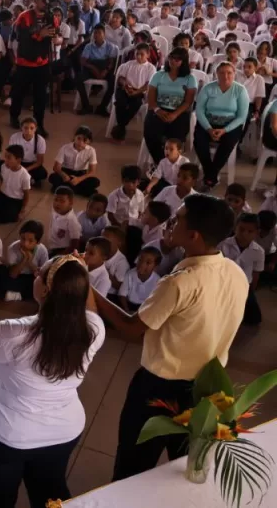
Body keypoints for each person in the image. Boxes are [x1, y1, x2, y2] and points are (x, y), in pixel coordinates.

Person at [92, 194, 248, 481]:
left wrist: (92, 294)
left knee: (134, 463)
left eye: (177, 219)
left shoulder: (180, 282)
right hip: (206, 391)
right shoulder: (236, 274)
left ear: (193, 235)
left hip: (159, 390)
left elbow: (130, 328)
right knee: (186, 466)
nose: (170, 223)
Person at [0, 253, 104, 508]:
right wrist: (77, 275)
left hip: (3, 436)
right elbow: (89, 308)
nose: (36, 273)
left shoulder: (17, 333)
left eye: (40, 273)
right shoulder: (94, 329)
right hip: (61, 434)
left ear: (46, 290)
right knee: (49, 495)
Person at [193, 62, 249, 189]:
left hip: (230, 125)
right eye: (222, 73)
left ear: (234, 74)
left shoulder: (240, 90)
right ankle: (211, 173)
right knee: (199, 141)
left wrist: (224, 130)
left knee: (228, 143)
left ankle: (210, 175)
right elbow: (199, 110)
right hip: (208, 123)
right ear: (216, 74)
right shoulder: (208, 88)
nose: (225, 76)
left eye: (229, 73)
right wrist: (208, 128)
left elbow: (241, 117)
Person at [9, 0, 54, 137]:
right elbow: (22, 38)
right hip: (25, 62)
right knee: (19, 92)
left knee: (40, 96)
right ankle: (14, 116)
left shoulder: (51, 17)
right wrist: (39, 34)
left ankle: (39, 124)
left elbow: (55, 34)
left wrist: (57, 38)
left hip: (42, 63)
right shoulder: (24, 17)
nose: (46, 1)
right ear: (35, 0)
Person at [143, 47, 198, 166]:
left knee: (176, 140)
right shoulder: (158, 75)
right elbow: (151, 98)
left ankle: (169, 165)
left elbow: (188, 102)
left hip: (179, 112)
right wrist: (158, 110)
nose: (173, 61)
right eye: (172, 58)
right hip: (158, 109)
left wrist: (174, 114)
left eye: (178, 60)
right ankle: (161, 164)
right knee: (151, 134)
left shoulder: (190, 79)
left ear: (183, 62)